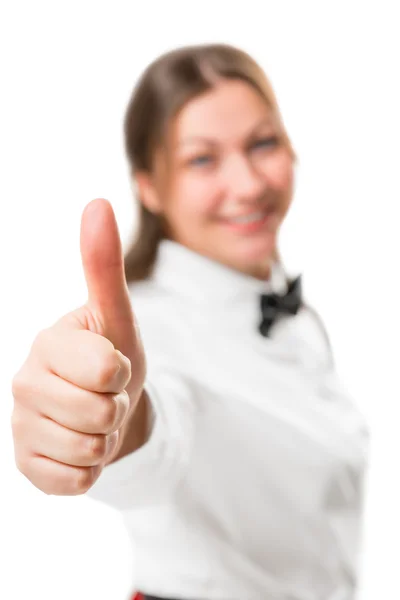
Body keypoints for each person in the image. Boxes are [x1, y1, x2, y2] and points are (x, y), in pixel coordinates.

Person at [11, 43, 369, 600]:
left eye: (263, 143)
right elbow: (152, 430)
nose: (249, 184)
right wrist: (110, 425)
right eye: (202, 159)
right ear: (149, 186)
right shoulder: (147, 330)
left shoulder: (295, 314)